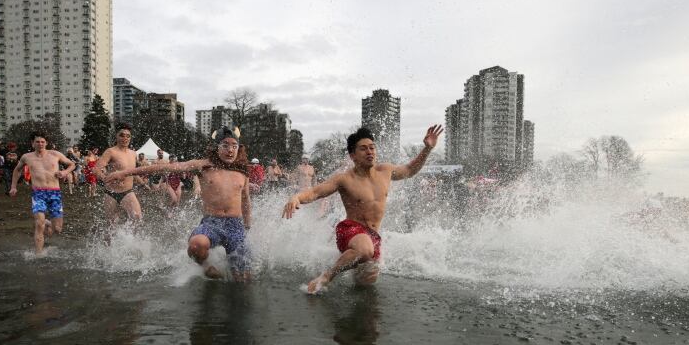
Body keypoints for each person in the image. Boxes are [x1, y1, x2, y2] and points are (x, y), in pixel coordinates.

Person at [283, 125, 443, 294]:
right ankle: (326, 276)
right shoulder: (344, 179)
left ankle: (348, 263)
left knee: (365, 286)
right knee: (364, 250)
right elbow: (316, 192)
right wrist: (296, 198)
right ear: (353, 155)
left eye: (372, 147)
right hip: (350, 229)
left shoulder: (386, 171)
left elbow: (410, 170)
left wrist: (427, 149)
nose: (370, 152)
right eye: (363, 149)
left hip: (374, 237)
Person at [105, 126, 252, 280]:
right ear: (217, 148)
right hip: (212, 223)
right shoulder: (203, 165)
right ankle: (206, 267)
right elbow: (163, 167)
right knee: (196, 245)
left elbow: (246, 200)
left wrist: (247, 225)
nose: (230, 150)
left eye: (234, 146)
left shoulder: (242, 171)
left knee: (243, 278)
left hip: (235, 225)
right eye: (225, 145)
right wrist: (124, 172)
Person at [9, 132, 76, 254]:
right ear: (32, 143)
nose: (40, 144)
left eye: (42, 142)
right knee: (39, 225)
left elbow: (72, 164)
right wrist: (13, 187)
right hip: (38, 193)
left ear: (46, 143)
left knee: (57, 229)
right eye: (37, 142)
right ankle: (38, 255)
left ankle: (47, 222)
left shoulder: (55, 154)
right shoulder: (27, 157)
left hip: (55, 193)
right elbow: (17, 170)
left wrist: (65, 172)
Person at [93, 124, 143, 225]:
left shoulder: (133, 154)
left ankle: (129, 240)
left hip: (127, 192)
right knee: (111, 225)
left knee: (137, 218)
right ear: (116, 136)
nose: (125, 138)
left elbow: (132, 171)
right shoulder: (111, 151)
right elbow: (96, 169)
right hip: (111, 193)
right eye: (122, 135)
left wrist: (142, 183)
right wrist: (105, 178)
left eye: (128, 136)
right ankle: (112, 240)